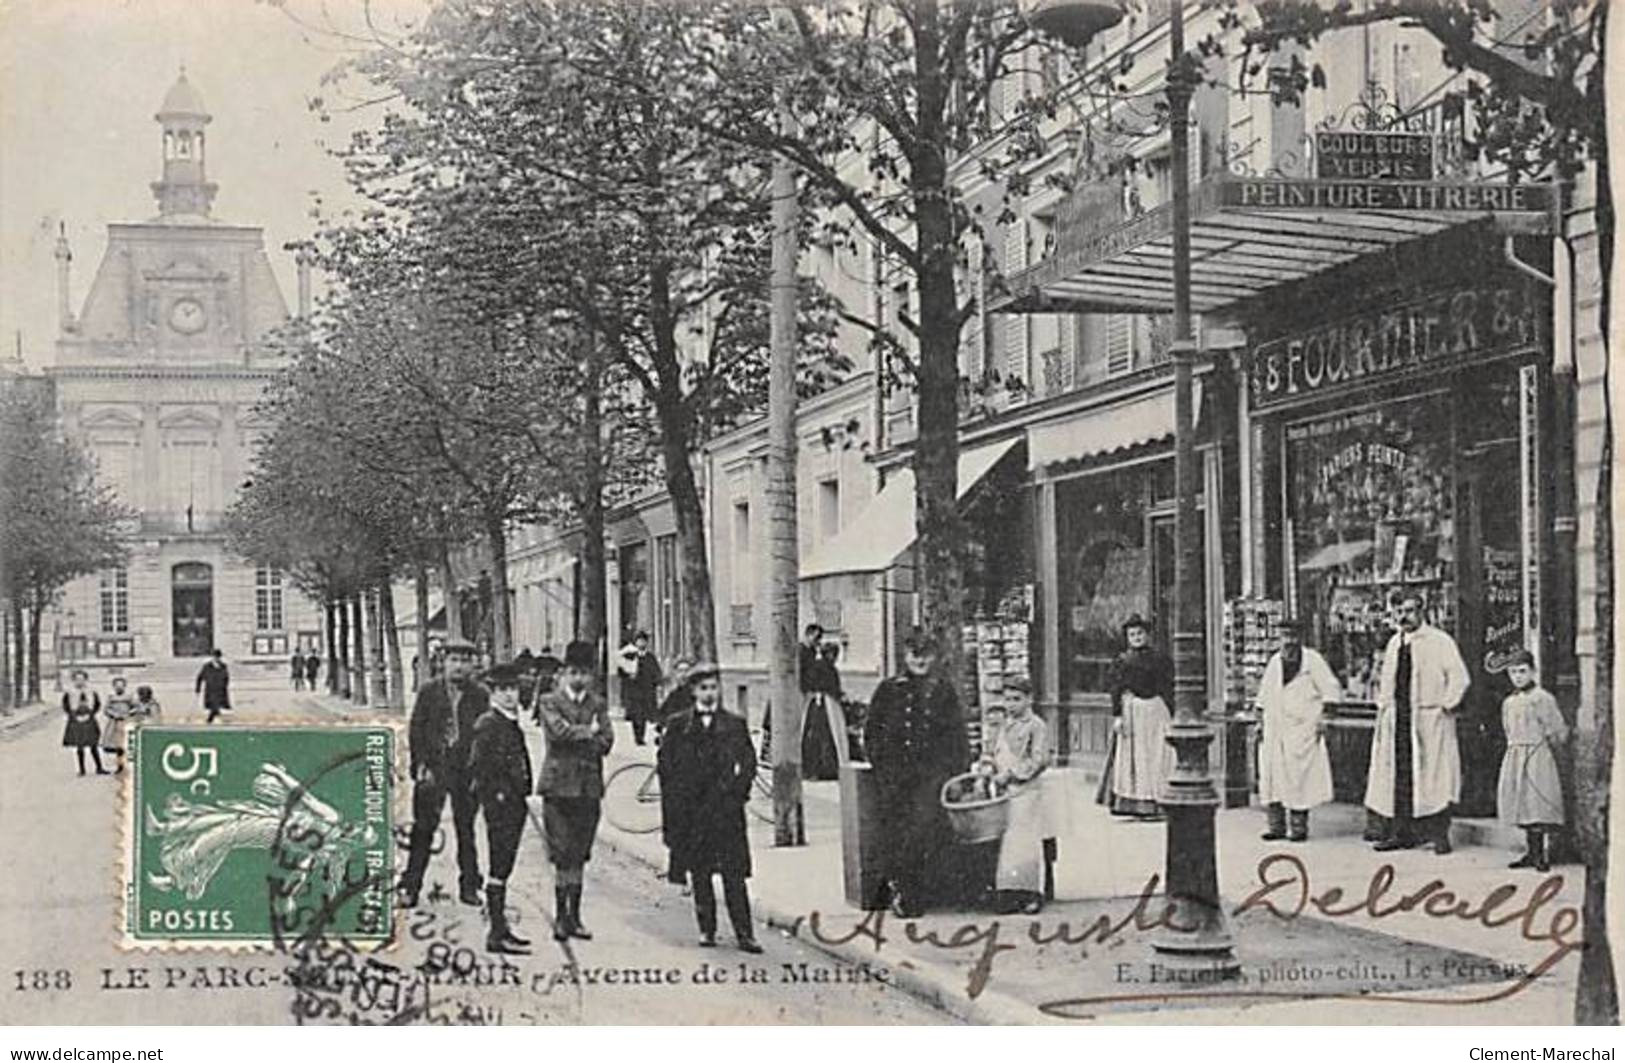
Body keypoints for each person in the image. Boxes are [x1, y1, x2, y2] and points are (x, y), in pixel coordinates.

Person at [658, 663, 765, 954]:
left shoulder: (734, 723)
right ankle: (707, 929)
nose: (709, 693)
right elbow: (665, 766)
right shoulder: (679, 725)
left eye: (713, 687)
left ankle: (745, 933)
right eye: (703, 688)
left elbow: (749, 762)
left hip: (726, 811)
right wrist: (677, 803)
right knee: (700, 872)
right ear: (693, 692)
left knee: (734, 875)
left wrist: (738, 792)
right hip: (693, 812)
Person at [863, 631, 971, 917]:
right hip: (897, 777)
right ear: (905, 656)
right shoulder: (889, 689)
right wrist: (883, 768)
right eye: (914, 654)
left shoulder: (942, 690)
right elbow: (872, 731)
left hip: (931, 777)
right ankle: (902, 891)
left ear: (934, 656)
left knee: (923, 830)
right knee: (896, 833)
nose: (920, 660)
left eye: (926, 654)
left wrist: (956, 773)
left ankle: (915, 892)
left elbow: (957, 736)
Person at [1364, 592, 1470, 855]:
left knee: (1435, 777)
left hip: (1428, 718)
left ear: (1421, 611)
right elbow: (1386, 681)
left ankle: (1439, 836)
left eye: (1409, 610)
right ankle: (1402, 833)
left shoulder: (1439, 641)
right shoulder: (1393, 644)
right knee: (1400, 778)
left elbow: (1459, 677)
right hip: (1399, 718)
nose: (1404, 617)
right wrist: (1383, 709)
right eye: (1399, 611)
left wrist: (1445, 704)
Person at [398, 638, 490, 909]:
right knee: (423, 829)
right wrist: (420, 766)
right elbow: (417, 730)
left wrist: (480, 771)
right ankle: (411, 886)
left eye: (464, 661)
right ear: (443, 662)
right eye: (453, 660)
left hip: (466, 770)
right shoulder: (429, 691)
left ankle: (470, 886)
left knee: (466, 829)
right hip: (434, 769)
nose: (459, 667)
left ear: (473, 665)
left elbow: (484, 735)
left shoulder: (480, 694)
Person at [536, 639, 614, 941]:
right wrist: (588, 732)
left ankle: (575, 917)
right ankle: (560, 916)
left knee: (580, 853)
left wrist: (586, 734)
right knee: (561, 852)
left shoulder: (598, 703)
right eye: (574, 672)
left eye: (584, 672)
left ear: (591, 675)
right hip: (557, 788)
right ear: (564, 673)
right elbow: (558, 733)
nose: (579, 678)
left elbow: (607, 742)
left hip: (589, 788)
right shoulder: (548, 701)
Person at [467, 663, 534, 954]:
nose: (509, 695)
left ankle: (501, 928)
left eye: (513, 689)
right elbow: (480, 768)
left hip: (514, 803)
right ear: (492, 693)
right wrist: (499, 797)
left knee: (504, 867)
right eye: (503, 690)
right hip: (501, 806)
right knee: (499, 865)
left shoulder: (509, 721)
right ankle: (495, 933)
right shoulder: (488, 724)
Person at [1255, 619, 1338, 842]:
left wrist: (1325, 718)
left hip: (1301, 727)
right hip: (1275, 728)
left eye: (1292, 637)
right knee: (1273, 777)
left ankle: (1298, 827)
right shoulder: (1274, 662)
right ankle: (1276, 826)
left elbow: (1330, 688)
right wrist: (1259, 721)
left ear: (1300, 638)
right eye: (1284, 637)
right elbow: (1263, 696)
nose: (1288, 642)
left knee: (1299, 778)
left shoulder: (1313, 661)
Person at [978, 676, 1049, 915]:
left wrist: (1011, 774)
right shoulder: (1001, 725)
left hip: (1025, 792)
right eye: (1007, 700)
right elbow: (989, 750)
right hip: (1002, 793)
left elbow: (1039, 759)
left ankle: (1030, 893)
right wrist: (987, 766)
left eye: (1017, 699)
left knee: (1025, 843)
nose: (1011, 705)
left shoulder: (1036, 725)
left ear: (1029, 699)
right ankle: (1007, 892)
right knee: (1006, 845)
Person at [1497, 649, 1567, 872]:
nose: (1518, 677)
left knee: (1538, 802)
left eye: (1522, 671)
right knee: (1522, 803)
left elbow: (1557, 730)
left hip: (1537, 755)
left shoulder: (1543, 699)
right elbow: (1507, 728)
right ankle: (1531, 851)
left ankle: (1542, 854)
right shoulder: (1509, 702)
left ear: (1533, 672)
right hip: (1516, 753)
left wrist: (1545, 748)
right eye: (1513, 672)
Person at [1101, 616, 1173, 820]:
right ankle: (1138, 803)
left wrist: (1170, 710)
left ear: (1147, 635)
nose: (1136, 638)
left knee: (1159, 756)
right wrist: (1117, 715)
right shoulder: (1122, 661)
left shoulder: (1160, 659)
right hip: (1134, 712)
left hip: (1157, 710)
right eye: (1132, 634)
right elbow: (1115, 689)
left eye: (1140, 633)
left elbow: (1167, 685)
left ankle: (1159, 801)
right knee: (1136, 758)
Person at [801, 641, 846, 781]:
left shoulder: (818, 667)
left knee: (817, 736)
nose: (835, 658)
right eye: (834, 654)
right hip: (824, 705)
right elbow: (830, 687)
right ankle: (822, 770)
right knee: (824, 736)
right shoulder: (827, 669)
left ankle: (814, 770)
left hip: (816, 705)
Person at [616, 632, 662, 746]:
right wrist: (627, 675)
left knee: (645, 715)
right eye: (639, 641)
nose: (641, 643)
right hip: (634, 691)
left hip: (646, 691)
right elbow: (621, 671)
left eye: (643, 641)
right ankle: (638, 737)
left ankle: (641, 735)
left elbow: (656, 672)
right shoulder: (630, 656)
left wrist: (656, 682)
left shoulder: (650, 657)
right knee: (637, 715)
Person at [61, 669, 107, 776]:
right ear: (74, 680)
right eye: (77, 679)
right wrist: (72, 715)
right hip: (75, 719)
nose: (80, 681)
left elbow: (97, 703)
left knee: (93, 744)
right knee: (79, 745)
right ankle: (81, 769)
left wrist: (92, 714)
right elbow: (65, 705)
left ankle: (99, 767)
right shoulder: (70, 692)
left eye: (82, 679)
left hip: (89, 718)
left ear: (86, 680)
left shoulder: (91, 691)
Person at [101, 675, 136, 773]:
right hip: (114, 723)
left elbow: (135, 708)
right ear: (113, 687)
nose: (119, 687)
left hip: (126, 721)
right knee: (117, 745)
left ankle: (129, 765)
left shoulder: (129, 697)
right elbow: (106, 709)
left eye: (121, 686)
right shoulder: (111, 697)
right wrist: (114, 714)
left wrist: (128, 714)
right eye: (117, 686)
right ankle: (119, 766)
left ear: (124, 686)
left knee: (127, 744)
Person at [656, 658, 696, 737]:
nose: (683, 674)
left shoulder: (696, 694)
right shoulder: (673, 695)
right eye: (680, 671)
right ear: (675, 674)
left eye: (687, 671)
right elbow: (662, 714)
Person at [195, 649, 231, 724]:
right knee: (214, 704)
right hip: (210, 689)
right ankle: (211, 718)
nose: (216, 658)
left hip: (220, 689)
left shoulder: (223, 666)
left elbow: (226, 677)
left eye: (218, 657)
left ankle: (212, 718)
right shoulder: (207, 666)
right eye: (215, 656)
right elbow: (200, 677)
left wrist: (225, 685)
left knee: (217, 704)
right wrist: (198, 689)